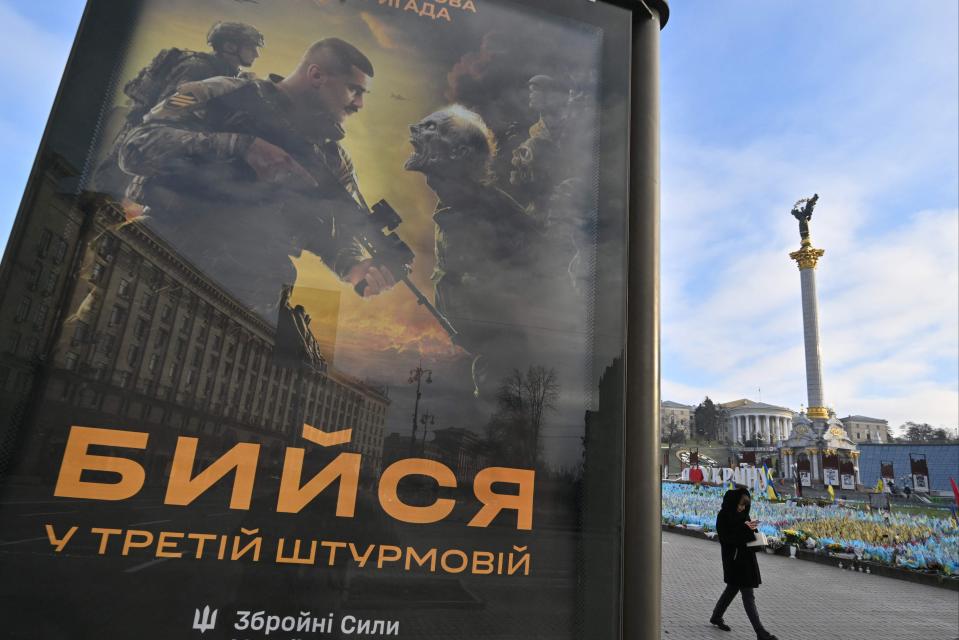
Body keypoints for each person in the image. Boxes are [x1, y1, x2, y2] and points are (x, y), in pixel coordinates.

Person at [119, 37, 396, 321]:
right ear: (316, 75)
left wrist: (352, 265)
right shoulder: (223, 92)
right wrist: (240, 145)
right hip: (160, 254)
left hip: (248, 294)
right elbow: (134, 148)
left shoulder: (334, 161)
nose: (359, 104)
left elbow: (339, 228)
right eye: (354, 90)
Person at [95, 21, 266, 195]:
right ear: (230, 46)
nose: (256, 54)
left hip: (159, 139)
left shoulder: (221, 70)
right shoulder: (200, 67)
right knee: (107, 195)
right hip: (144, 139)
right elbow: (173, 105)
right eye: (251, 47)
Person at [709, 487, 779, 640]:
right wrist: (744, 531)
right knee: (748, 596)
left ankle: (716, 616)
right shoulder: (724, 516)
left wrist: (757, 536)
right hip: (734, 560)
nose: (741, 508)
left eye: (744, 505)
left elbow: (750, 534)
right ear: (733, 502)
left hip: (746, 560)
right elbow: (727, 538)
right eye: (740, 504)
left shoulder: (744, 516)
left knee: (732, 589)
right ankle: (760, 632)